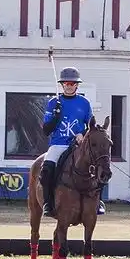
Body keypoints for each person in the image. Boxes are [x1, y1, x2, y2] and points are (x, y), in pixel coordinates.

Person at [39, 67, 105, 217]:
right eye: (66, 83)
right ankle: (48, 204)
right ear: (62, 85)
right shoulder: (53, 103)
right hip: (58, 144)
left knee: (100, 167)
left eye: (72, 83)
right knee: (46, 170)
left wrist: (82, 134)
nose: (69, 85)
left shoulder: (84, 103)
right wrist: (55, 116)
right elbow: (46, 130)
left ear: (77, 85)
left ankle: (98, 202)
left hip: (79, 145)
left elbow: (91, 126)